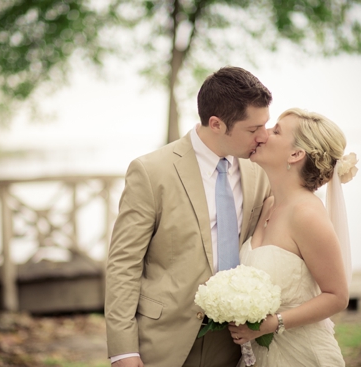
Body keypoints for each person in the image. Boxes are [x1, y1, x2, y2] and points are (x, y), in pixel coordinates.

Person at [105, 66, 273, 367]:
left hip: (236, 343)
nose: (263, 137)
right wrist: (123, 350)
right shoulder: (150, 171)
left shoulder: (259, 171)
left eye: (266, 125)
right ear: (216, 124)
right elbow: (123, 264)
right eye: (253, 129)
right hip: (164, 340)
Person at [227, 108, 355, 366]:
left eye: (275, 131)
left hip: (303, 356)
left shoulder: (307, 214)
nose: (263, 135)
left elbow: (337, 296)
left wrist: (273, 323)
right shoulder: (268, 204)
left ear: (296, 154)